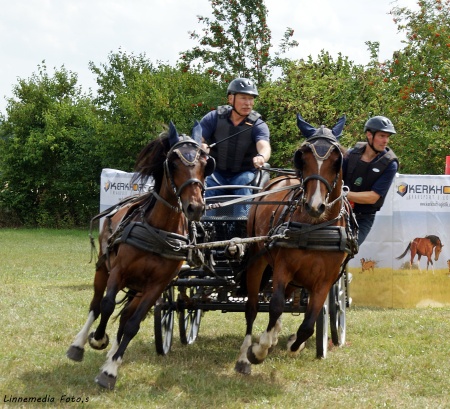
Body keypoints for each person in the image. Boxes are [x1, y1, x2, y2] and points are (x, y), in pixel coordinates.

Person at [200, 78, 271, 217]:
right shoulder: (213, 118)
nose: (248, 103)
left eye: (251, 99)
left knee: (244, 186)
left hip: (244, 175)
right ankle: (205, 228)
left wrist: (261, 157)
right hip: (215, 174)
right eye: (243, 98)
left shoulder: (258, 124)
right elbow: (197, 139)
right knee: (206, 185)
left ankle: (242, 227)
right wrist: (201, 146)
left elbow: (264, 146)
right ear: (231, 99)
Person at [343, 115, 399, 246]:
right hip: (340, 211)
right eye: (382, 136)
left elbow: (373, 198)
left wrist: (343, 194)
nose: (385, 141)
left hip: (363, 217)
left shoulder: (390, 164)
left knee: (348, 248)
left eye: (387, 137)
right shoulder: (351, 154)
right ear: (369, 135)